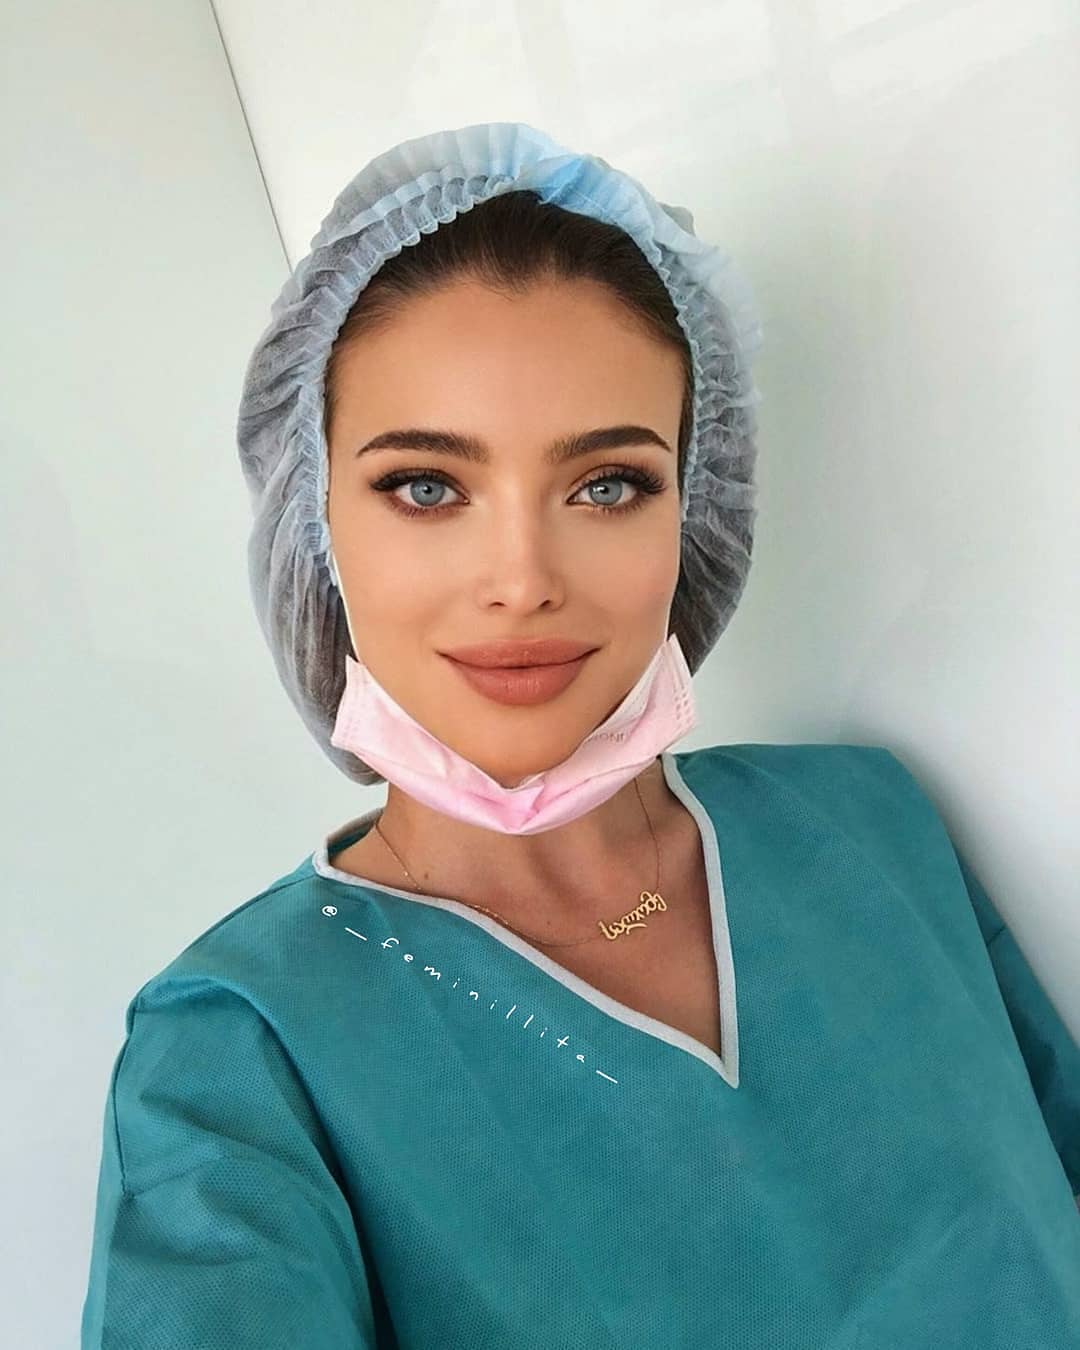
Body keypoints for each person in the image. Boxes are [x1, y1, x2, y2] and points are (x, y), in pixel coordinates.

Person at [80, 122, 1080, 1348]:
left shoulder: (867, 827)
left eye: (607, 484)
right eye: (426, 487)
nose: (522, 579)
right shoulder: (239, 1054)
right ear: (314, 523)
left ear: (694, 506)